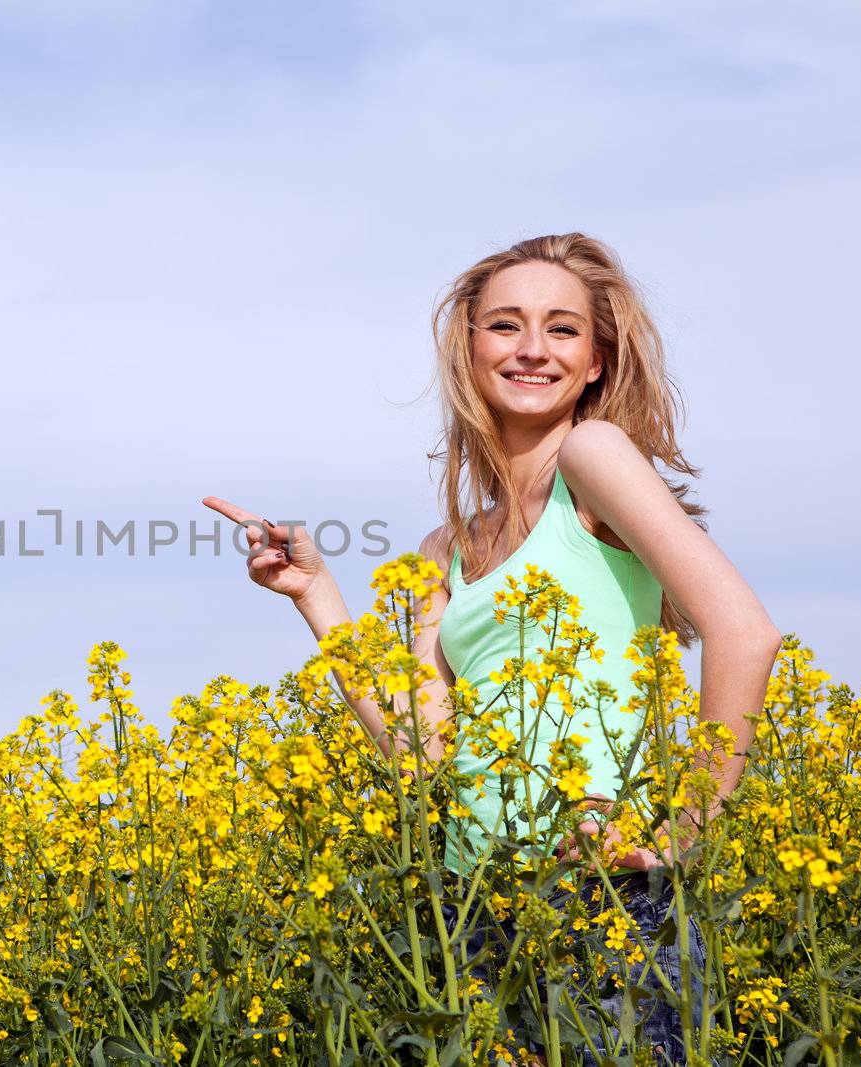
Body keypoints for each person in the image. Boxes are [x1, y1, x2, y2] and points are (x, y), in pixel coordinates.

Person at [203, 232, 782, 1065]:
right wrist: (317, 595)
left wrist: (686, 831)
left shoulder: (595, 457)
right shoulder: (446, 548)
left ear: (596, 362)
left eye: (563, 328)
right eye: (506, 326)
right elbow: (426, 756)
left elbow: (744, 631)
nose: (534, 349)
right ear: (469, 350)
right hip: (476, 904)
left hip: (602, 890)